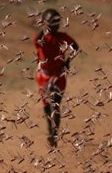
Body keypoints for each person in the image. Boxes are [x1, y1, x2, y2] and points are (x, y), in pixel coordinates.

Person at [33, 8, 79, 148]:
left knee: (55, 104)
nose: (55, 25)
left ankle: (54, 134)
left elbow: (75, 47)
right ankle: (50, 130)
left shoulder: (62, 37)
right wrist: (44, 25)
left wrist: (67, 61)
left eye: (57, 22)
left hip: (58, 75)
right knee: (47, 107)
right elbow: (37, 39)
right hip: (44, 76)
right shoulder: (42, 39)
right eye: (52, 22)